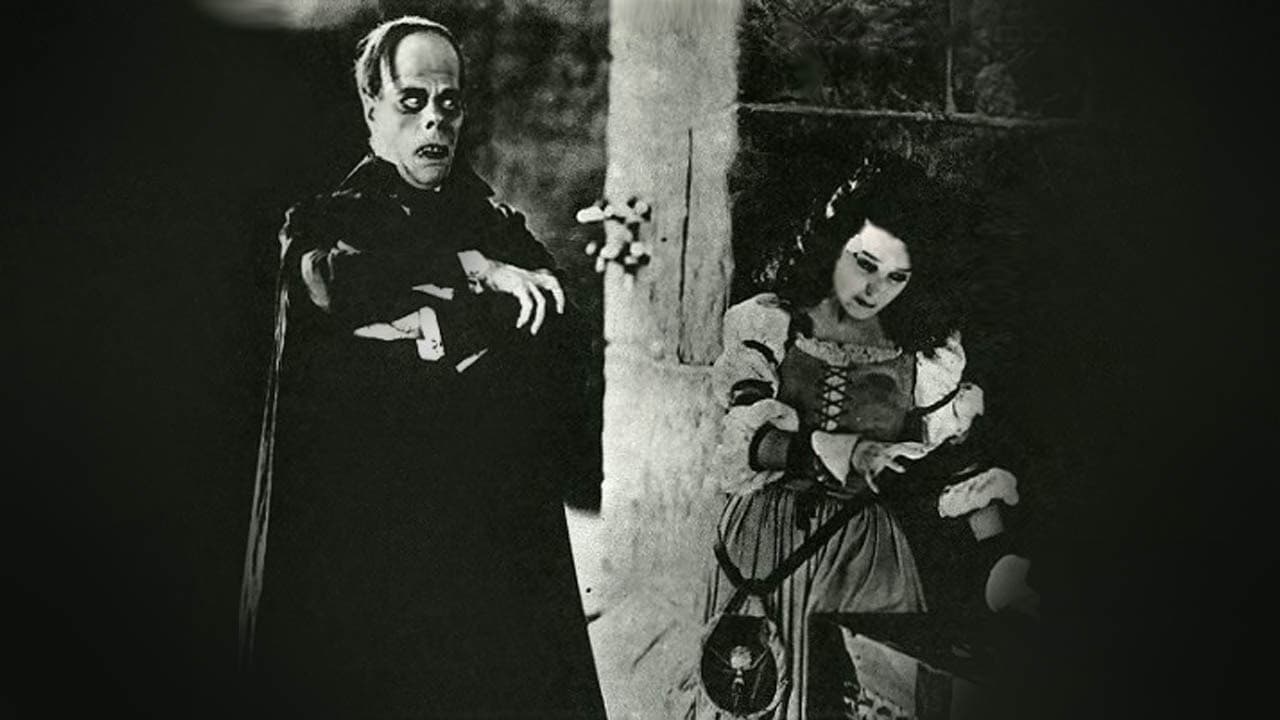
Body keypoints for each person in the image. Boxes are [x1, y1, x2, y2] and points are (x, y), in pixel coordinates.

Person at [237, 16, 605, 719]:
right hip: (371, 537)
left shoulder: (492, 219)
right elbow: (334, 285)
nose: (435, 119)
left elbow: (550, 312)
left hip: (481, 529)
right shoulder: (325, 222)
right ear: (372, 106)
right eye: (412, 100)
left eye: (449, 102)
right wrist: (475, 273)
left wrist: (431, 314)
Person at [677, 158, 1023, 720]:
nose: (874, 289)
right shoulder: (770, 326)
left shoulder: (924, 355)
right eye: (865, 263)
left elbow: (959, 468)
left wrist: (1000, 558)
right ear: (835, 244)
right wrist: (843, 453)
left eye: (896, 277)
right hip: (765, 545)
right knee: (756, 684)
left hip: (864, 554)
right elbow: (748, 441)